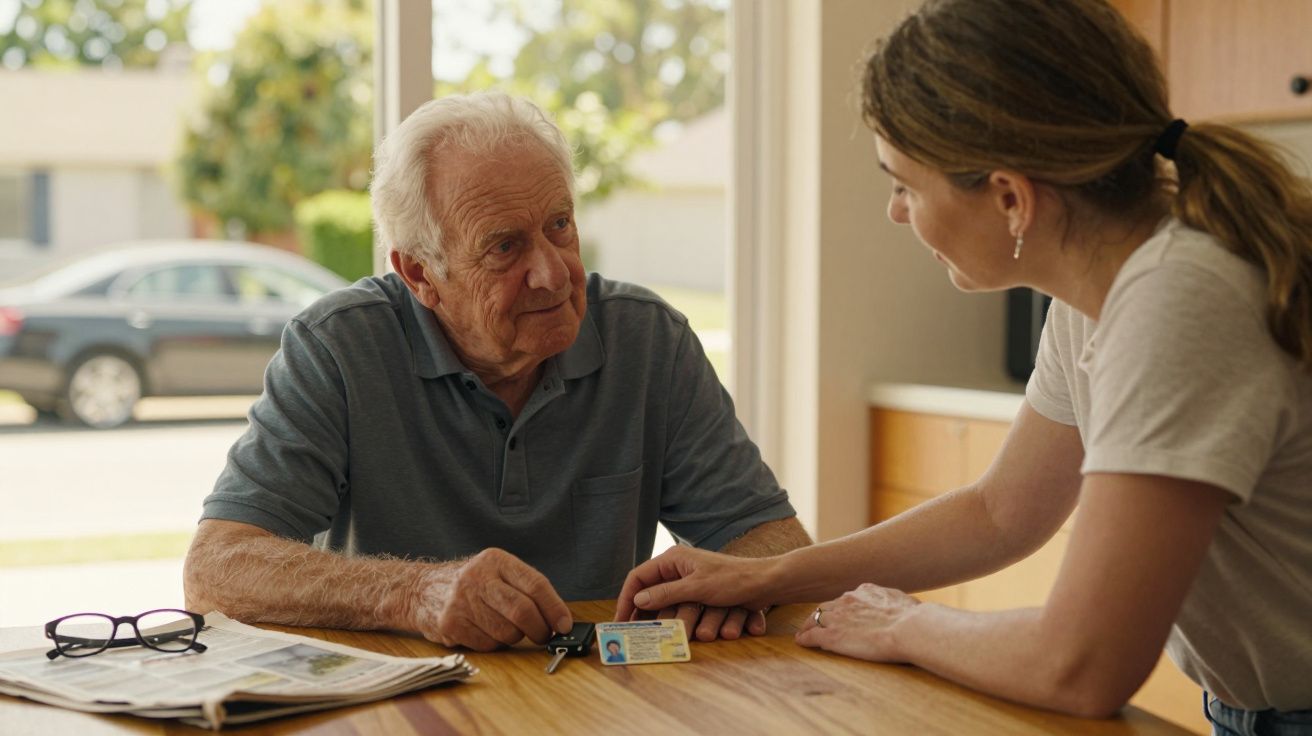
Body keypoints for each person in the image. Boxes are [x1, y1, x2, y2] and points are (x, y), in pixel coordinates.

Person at [616, 0, 1312, 730]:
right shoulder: (1103, 290)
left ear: (1011, 198)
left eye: (905, 185)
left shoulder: (1178, 300)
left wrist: (902, 625)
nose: (895, 212)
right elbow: (999, 512)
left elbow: (1080, 663)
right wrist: (769, 575)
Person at [183, 91, 811, 653]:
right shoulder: (338, 348)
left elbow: (777, 542)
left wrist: (732, 581)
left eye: (559, 226)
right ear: (421, 275)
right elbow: (216, 569)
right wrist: (414, 594)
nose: (553, 272)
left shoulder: (647, 339)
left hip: (594, 703)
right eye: (505, 247)